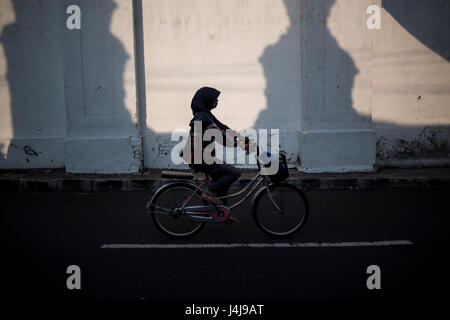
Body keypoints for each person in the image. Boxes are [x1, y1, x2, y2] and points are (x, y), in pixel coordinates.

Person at [184, 87, 250, 205]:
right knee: (234, 173)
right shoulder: (203, 117)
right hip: (200, 158)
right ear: (207, 100)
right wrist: (241, 145)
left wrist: (241, 138)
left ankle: (222, 211)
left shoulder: (206, 115)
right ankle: (208, 192)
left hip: (203, 156)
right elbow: (219, 135)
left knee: (222, 180)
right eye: (215, 99)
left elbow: (223, 127)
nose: (217, 101)